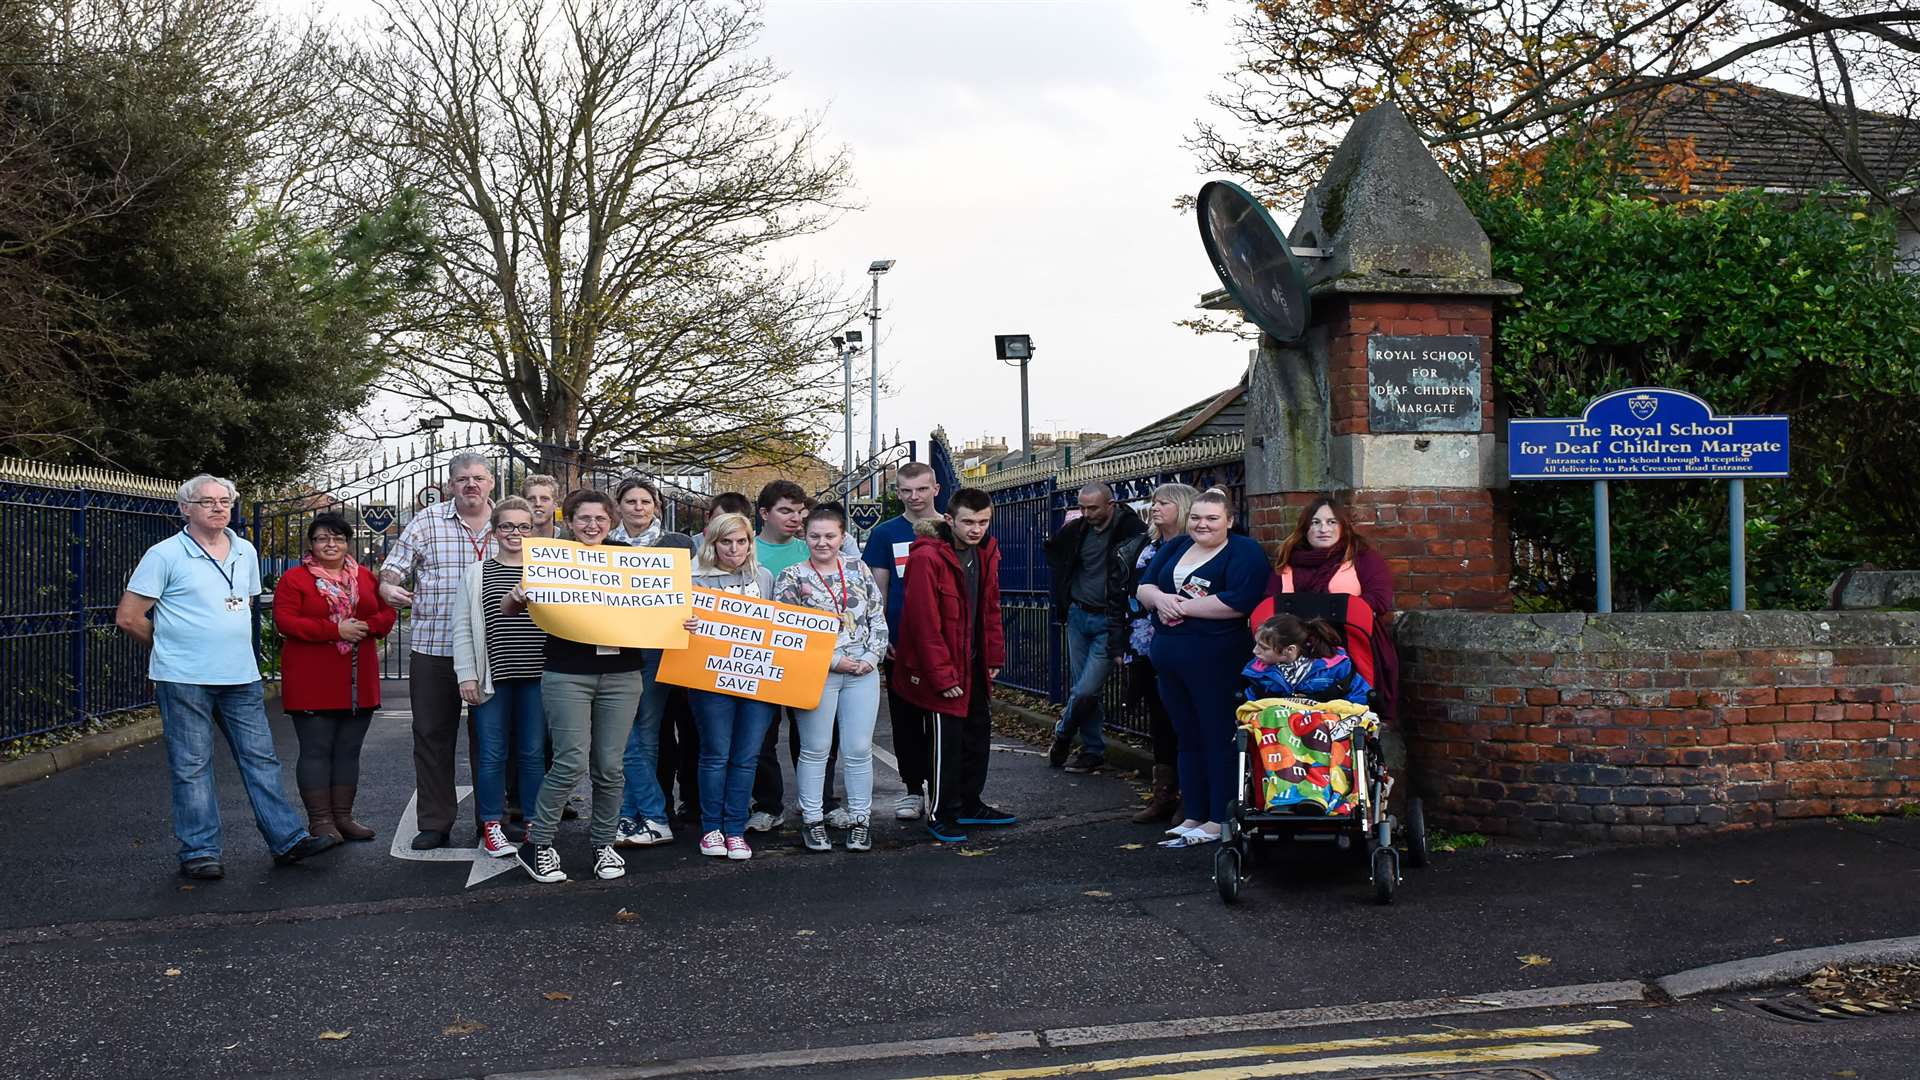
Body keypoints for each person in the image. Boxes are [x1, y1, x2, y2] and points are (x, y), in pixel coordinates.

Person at [115, 475, 338, 879]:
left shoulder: (245, 551)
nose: (219, 508)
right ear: (185, 508)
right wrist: (170, 647)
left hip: (241, 676)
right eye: (207, 502)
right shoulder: (165, 555)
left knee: (261, 760)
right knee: (192, 765)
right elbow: (129, 617)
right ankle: (199, 852)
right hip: (184, 678)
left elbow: (243, 603)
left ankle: (287, 840)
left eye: (225, 501)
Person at [504, 490, 644, 883]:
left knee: (610, 767)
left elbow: (662, 607)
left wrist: (677, 619)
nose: (592, 526)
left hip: (622, 674)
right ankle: (539, 843)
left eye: (600, 519)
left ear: (611, 521)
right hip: (567, 673)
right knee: (569, 762)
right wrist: (517, 596)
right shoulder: (551, 558)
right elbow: (507, 609)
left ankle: (604, 845)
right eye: (584, 518)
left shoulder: (630, 562)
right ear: (570, 521)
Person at [1136, 488, 1269, 849]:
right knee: (1187, 735)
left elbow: (1241, 600)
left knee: (1217, 734)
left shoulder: (1244, 551)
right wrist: (1161, 599)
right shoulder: (1176, 547)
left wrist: (1181, 608)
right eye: (1196, 517)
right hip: (1169, 658)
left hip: (1216, 658)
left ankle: (1218, 817)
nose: (1202, 524)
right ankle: (1194, 812)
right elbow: (1144, 587)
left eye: (1212, 518)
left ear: (1229, 520)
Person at [378, 452, 496, 850]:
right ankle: (434, 822)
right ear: (450, 485)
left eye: (478, 477)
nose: (471, 485)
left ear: (491, 482)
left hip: (492, 650)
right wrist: (387, 585)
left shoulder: (509, 523)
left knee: (492, 739)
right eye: (462, 479)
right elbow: (394, 567)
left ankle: (491, 820)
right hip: (434, 646)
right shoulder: (426, 522)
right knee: (431, 735)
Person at [893, 487, 1009, 844]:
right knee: (947, 742)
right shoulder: (928, 557)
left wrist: (992, 657)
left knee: (977, 734)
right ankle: (941, 813)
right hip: (941, 667)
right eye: (968, 522)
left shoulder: (987, 550)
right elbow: (922, 622)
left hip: (972, 662)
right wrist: (941, 675)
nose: (976, 529)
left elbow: (990, 607)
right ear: (949, 520)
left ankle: (970, 804)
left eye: (984, 521)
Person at [273, 512, 397, 843]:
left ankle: (343, 817)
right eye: (322, 538)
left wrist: (367, 627)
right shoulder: (295, 579)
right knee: (315, 750)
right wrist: (334, 630)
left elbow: (386, 613)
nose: (331, 544)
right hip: (312, 679)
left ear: (347, 543)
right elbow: (286, 622)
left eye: (338, 538)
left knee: (348, 751)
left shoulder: (367, 579)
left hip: (358, 680)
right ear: (311, 544)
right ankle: (321, 821)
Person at [774, 503, 888, 853]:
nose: (822, 543)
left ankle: (860, 819)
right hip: (819, 671)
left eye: (830, 536)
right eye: (814, 536)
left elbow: (876, 617)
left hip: (862, 672)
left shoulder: (858, 568)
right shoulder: (791, 577)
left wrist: (871, 657)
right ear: (804, 536)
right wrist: (835, 660)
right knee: (815, 749)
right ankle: (813, 818)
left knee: (856, 750)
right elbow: (787, 629)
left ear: (842, 536)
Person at [453, 497, 549, 858]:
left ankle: (534, 821)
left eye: (524, 526)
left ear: (533, 530)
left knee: (532, 753)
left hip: (538, 677)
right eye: (507, 526)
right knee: (492, 753)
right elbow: (462, 626)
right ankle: (492, 822)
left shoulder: (548, 570)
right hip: (492, 676)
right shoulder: (477, 573)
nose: (516, 533)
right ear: (494, 531)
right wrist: (466, 675)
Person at [608, 474, 699, 850]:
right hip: (615, 649)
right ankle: (644, 813)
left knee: (644, 730)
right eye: (631, 502)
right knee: (625, 733)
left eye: (645, 502)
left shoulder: (679, 545)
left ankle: (641, 815)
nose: (638, 508)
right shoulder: (605, 546)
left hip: (660, 649)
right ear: (619, 507)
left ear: (656, 506)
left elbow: (696, 590)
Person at [681, 511, 777, 860]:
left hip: (756, 679)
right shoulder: (693, 578)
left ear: (751, 543)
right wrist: (684, 624)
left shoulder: (763, 577)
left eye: (741, 541)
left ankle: (735, 829)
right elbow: (673, 628)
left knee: (746, 756)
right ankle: (712, 829)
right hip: (709, 677)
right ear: (713, 543)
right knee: (715, 754)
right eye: (726, 541)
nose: (734, 549)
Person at [748, 479, 842, 832]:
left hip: (810, 659)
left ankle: (821, 802)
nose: (795, 518)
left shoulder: (813, 548)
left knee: (817, 737)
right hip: (762, 657)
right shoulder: (747, 550)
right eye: (785, 510)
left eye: (800, 511)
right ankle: (768, 805)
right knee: (762, 736)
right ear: (764, 514)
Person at [1109, 483, 1196, 825]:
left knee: (1185, 720)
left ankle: (1191, 795)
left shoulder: (1195, 547)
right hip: (1144, 644)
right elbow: (1119, 596)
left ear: (1182, 506)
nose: (1155, 508)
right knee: (1158, 719)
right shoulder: (1143, 546)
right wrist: (1121, 643)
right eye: (1154, 502)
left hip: (1180, 641)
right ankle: (1163, 793)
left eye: (1164, 503)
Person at [1044, 481, 1147, 774]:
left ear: (1110, 505)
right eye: (1082, 507)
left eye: (1093, 508)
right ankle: (1092, 750)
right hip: (1078, 615)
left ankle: (1063, 733)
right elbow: (1053, 553)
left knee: (1087, 689)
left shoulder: (1131, 531)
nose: (1087, 513)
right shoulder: (1077, 531)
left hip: (1109, 620)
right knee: (1083, 690)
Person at [1271, 496, 1400, 723]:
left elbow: (1379, 599)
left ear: (1343, 526)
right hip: (1293, 651)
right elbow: (1269, 603)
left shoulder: (1363, 558)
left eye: (1332, 522)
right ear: (1305, 527)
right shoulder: (1286, 560)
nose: (1324, 529)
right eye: (1316, 522)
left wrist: (1336, 609)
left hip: (1351, 647)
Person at [861, 462, 941, 821]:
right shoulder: (884, 534)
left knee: (943, 721)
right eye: (907, 490)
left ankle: (943, 790)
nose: (915, 497)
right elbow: (878, 590)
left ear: (935, 489)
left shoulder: (951, 529)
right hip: (900, 642)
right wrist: (883, 635)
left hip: (943, 643)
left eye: (922, 489)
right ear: (898, 493)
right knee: (905, 719)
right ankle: (913, 790)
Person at [1244, 614, 1373, 704]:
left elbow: (1360, 693)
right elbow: (1251, 705)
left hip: (1327, 732)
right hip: (1278, 734)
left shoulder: (1334, 667)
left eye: (1264, 648)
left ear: (1289, 650)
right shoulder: (1259, 672)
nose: (1255, 651)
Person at [521, 474, 566, 539]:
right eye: (531, 499)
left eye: (544, 499)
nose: (538, 504)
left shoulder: (570, 540)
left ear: (555, 505)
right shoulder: (512, 541)